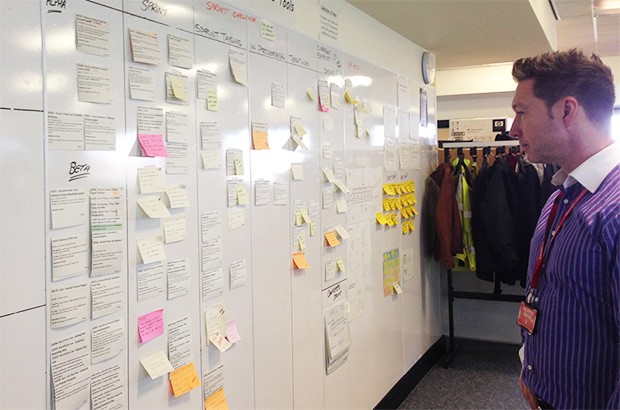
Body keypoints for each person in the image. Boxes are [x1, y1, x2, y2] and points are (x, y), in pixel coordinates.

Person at [509, 49, 619, 409]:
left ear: (567, 110)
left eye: (521, 112)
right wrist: (532, 370)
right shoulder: (562, 195)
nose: (513, 129)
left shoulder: (613, 211)